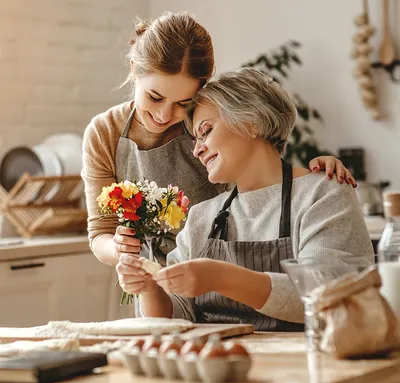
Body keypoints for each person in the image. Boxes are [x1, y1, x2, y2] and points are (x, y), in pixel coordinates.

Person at [82, 12, 356, 317]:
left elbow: (262, 172)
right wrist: (140, 274)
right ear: (134, 70)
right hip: (170, 299)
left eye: (184, 106)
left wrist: (313, 175)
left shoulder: (320, 196)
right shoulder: (200, 218)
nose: (163, 115)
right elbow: (102, 233)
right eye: (155, 97)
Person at [118, 68, 374, 330]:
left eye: (206, 131)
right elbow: (177, 316)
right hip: (222, 365)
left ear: (251, 122)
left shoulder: (322, 194)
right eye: (195, 139)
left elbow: (327, 294)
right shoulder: (201, 217)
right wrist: (149, 288)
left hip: (309, 363)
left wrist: (220, 276)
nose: (197, 149)